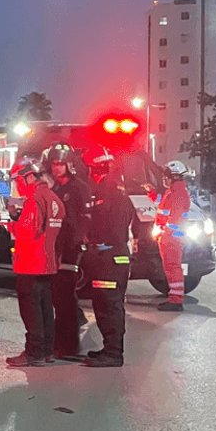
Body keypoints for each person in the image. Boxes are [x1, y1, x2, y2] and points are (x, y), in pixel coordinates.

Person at [5, 159, 65, 367]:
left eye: (18, 180)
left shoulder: (34, 199)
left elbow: (29, 230)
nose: (17, 184)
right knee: (46, 308)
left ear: (29, 176)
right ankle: (48, 350)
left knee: (31, 310)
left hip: (31, 263)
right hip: (48, 263)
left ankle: (34, 352)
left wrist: (12, 224)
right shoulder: (54, 198)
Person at [81, 148, 137, 367]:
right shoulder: (116, 189)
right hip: (113, 256)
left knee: (109, 304)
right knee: (105, 303)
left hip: (110, 257)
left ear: (94, 169)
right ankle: (110, 348)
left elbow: (109, 226)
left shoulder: (108, 190)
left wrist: (96, 242)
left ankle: (113, 353)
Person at [42, 144, 92, 360]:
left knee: (65, 295)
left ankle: (69, 345)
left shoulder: (79, 188)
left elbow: (85, 220)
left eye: (61, 164)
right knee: (59, 295)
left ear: (69, 165)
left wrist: (77, 244)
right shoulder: (55, 190)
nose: (57, 168)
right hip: (56, 248)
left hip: (71, 249)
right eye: (54, 164)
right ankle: (62, 338)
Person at [156, 160, 192, 312]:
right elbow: (163, 207)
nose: (165, 179)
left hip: (172, 238)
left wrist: (166, 233)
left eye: (168, 176)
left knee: (173, 267)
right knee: (171, 268)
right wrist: (151, 194)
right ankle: (174, 297)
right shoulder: (173, 192)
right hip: (169, 237)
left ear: (175, 176)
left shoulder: (178, 193)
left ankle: (176, 300)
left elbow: (175, 217)